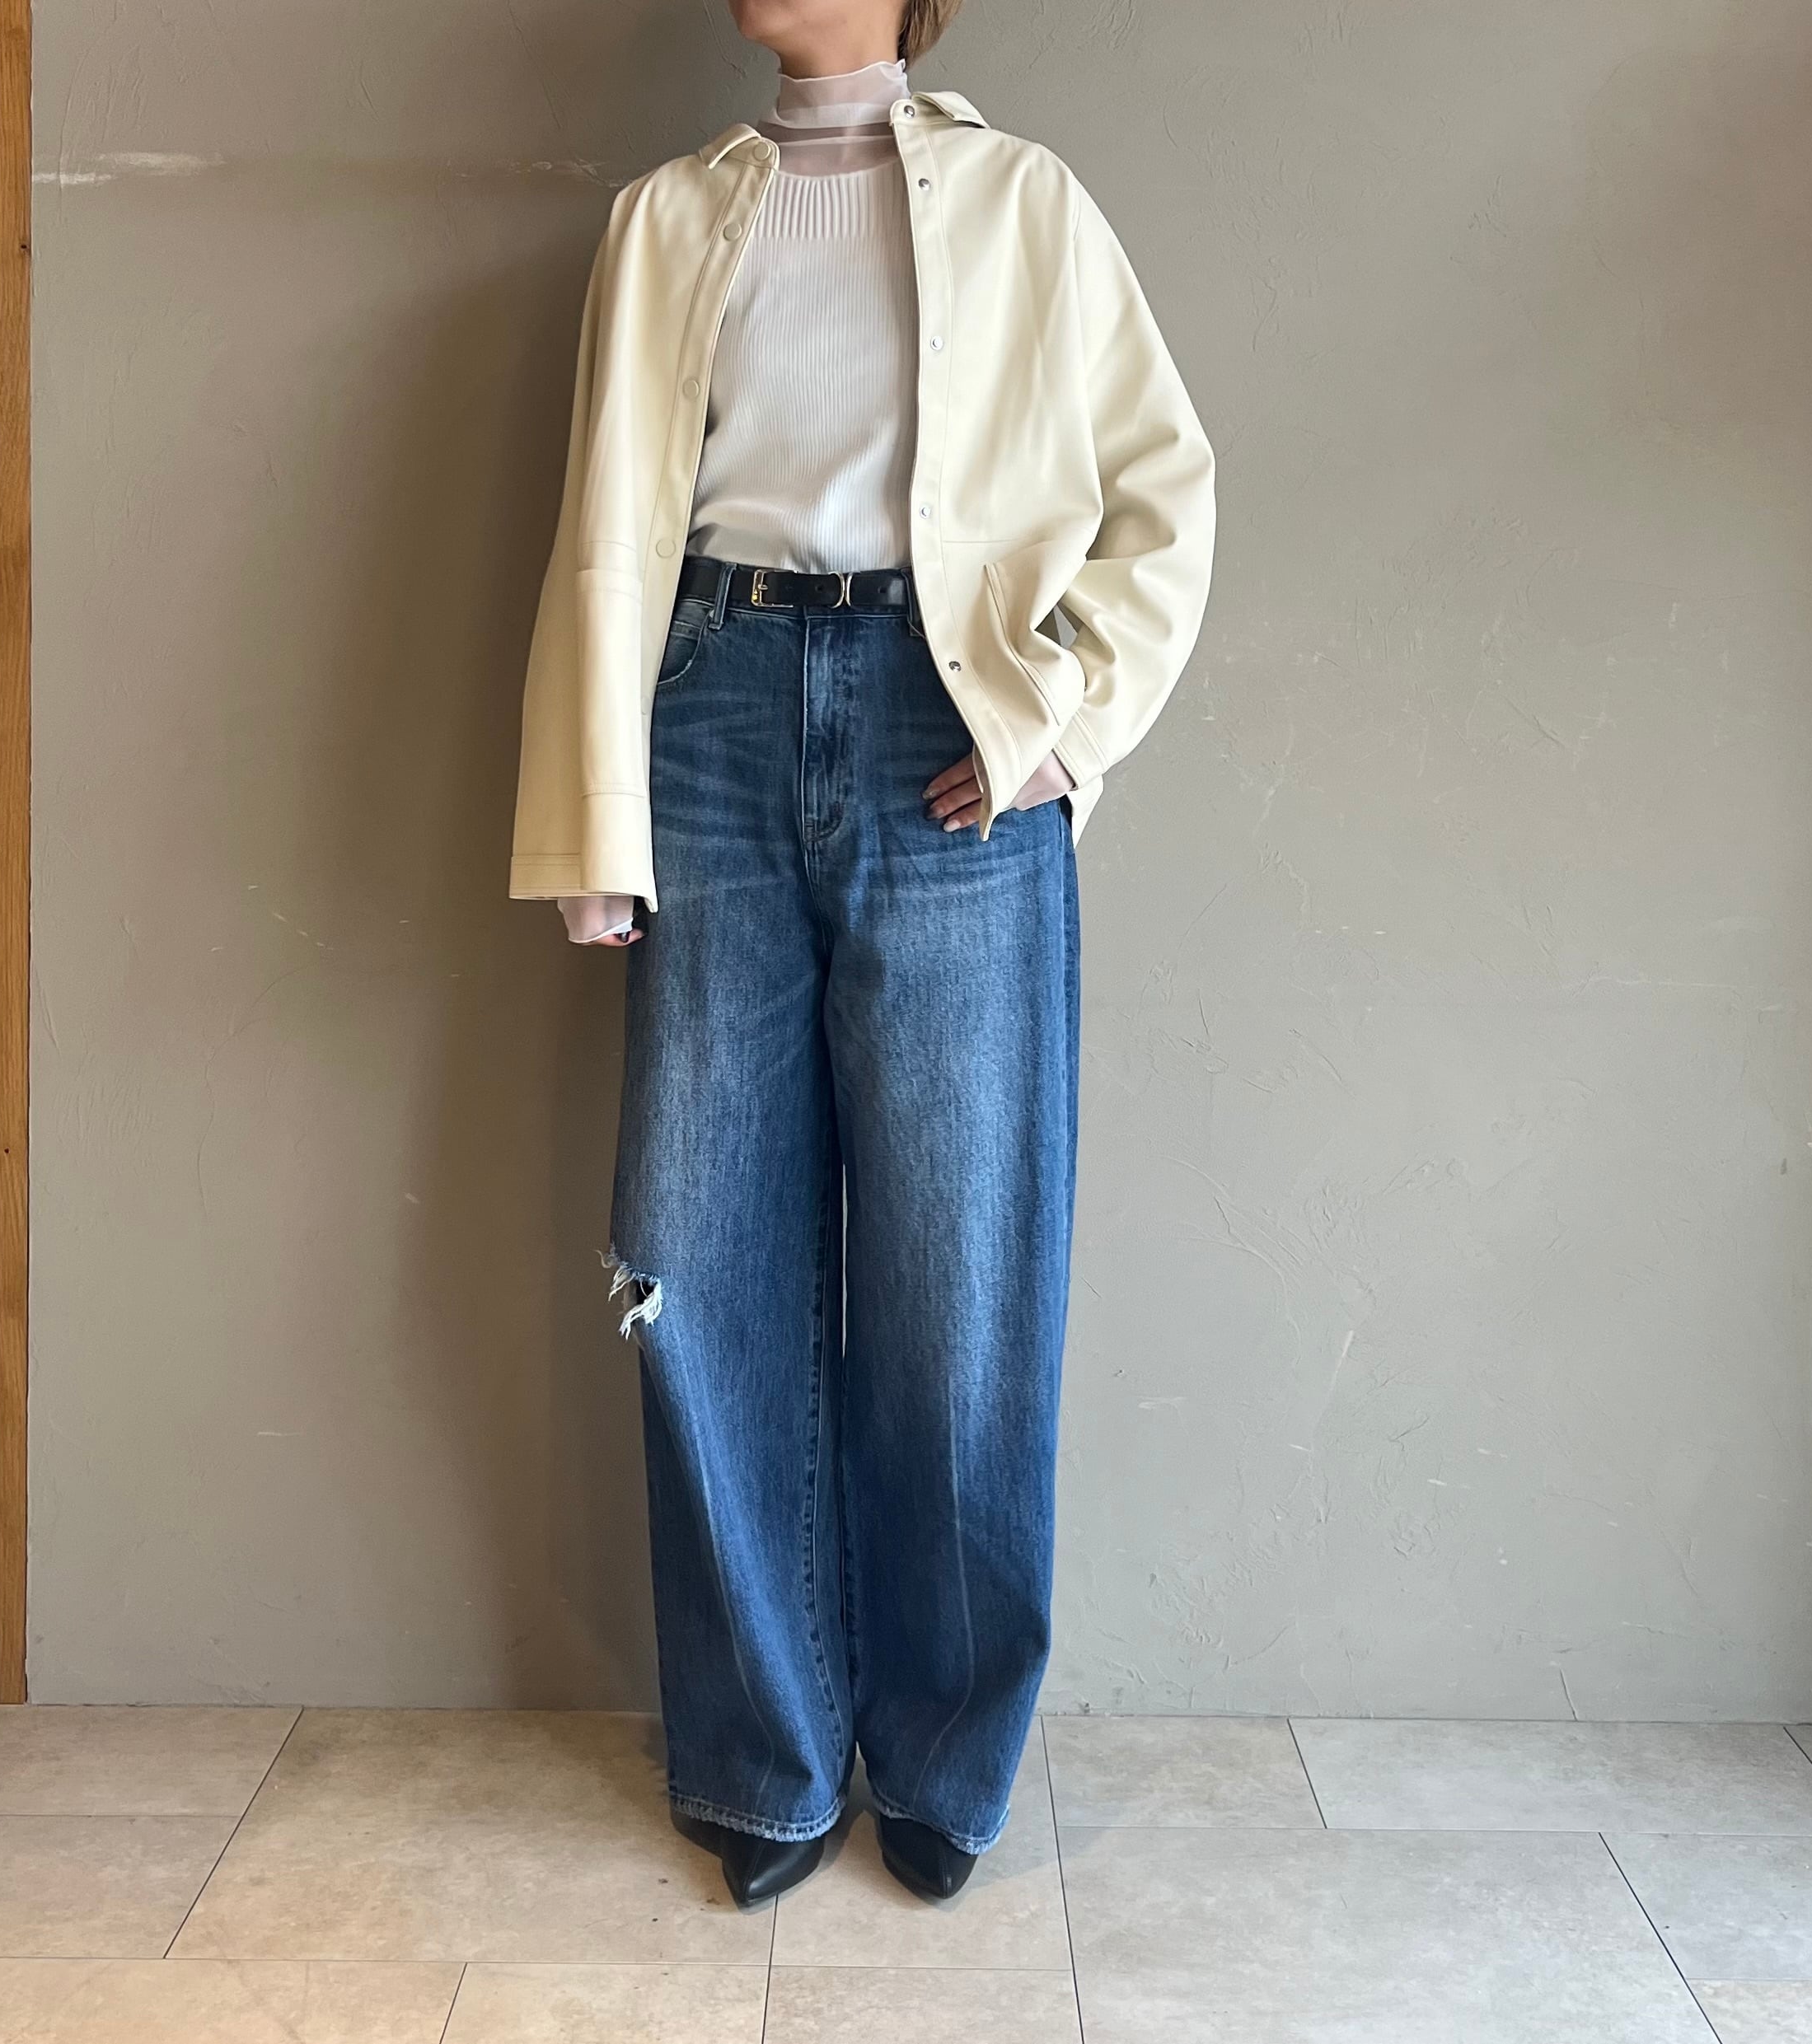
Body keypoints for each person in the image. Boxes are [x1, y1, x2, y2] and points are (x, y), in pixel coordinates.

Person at [508, 0, 1215, 1907]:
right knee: (699, 1248)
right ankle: (763, 1750)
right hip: (710, 704)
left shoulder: (1025, 201)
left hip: (942, 722)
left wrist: (1057, 726)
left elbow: (1165, 495)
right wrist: (592, 809)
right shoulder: (668, 215)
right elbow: (604, 534)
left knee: (955, 1268)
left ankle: (944, 1750)